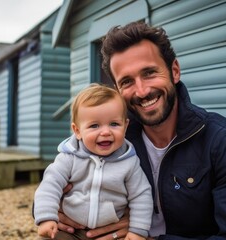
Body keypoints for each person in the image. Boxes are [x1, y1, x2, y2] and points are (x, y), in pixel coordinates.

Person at [57, 21, 226, 239]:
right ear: (118, 90)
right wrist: (54, 210)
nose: (141, 91)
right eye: (127, 81)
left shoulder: (225, 142)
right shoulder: (112, 134)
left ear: (174, 71)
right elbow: (59, 174)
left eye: (149, 73)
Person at [34, 83, 153, 240]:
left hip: (110, 232)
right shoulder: (69, 157)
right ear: (77, 131)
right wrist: (46, 217)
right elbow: (50, 185)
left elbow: (141, 195)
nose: (105, 132)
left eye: (114, 124)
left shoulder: (129, 162)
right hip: (71, 229)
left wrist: (137, 231)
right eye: (94, 125)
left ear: (125, 126)